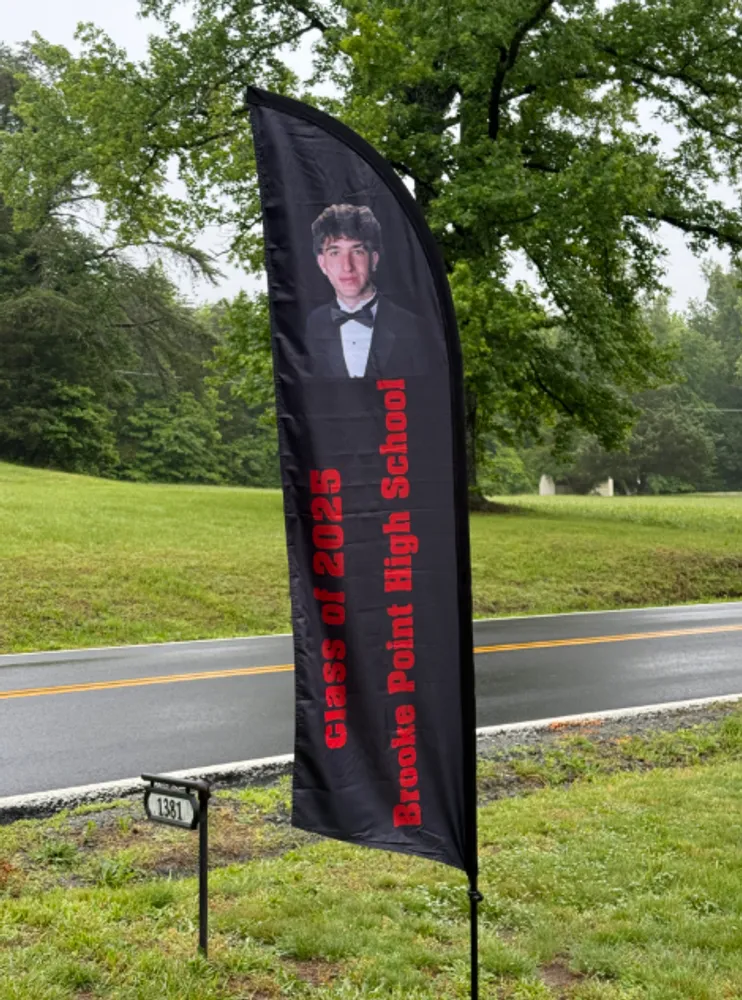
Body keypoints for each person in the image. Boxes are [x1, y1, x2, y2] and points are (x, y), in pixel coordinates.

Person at [304, 204, 426, 378]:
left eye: (357, 251)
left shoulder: (413, 327)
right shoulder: (313, 325)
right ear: (322, 264)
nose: (347, 266)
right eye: (335, 253)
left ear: (374, 260)